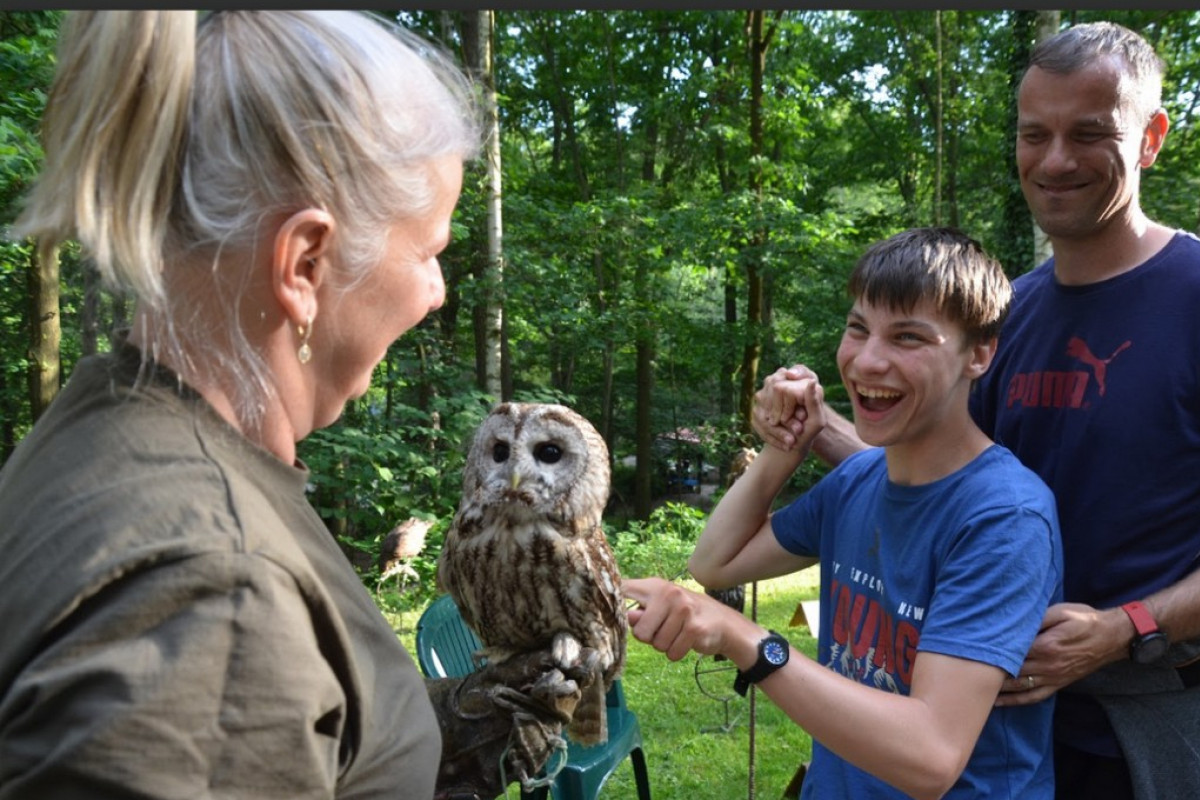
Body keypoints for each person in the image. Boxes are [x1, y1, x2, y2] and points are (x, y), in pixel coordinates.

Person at [0, 11, 585, 800]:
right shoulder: (212, 595)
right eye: (430, 252)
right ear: (305, 263)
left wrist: (455, 724)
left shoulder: (113, 424)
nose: (439, 292)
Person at [756, 21, 1200, 800]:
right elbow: (943, 480)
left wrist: (1127, 625)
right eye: (1036, 134)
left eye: (1088, 133)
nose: (1055, 160)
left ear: (1152, 136)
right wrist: (814, 425)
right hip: (983, 721)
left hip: (1140, 727)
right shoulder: (1007, 314)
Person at [625, 227, 1063, 800]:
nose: (867, 361)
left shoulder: (1005, 518)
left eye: (908, 337)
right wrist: (787, 446)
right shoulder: (859, 480)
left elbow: (932, 758)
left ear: (978, 354)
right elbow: (715, 562)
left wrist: (745, 638)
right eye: (858, 328)